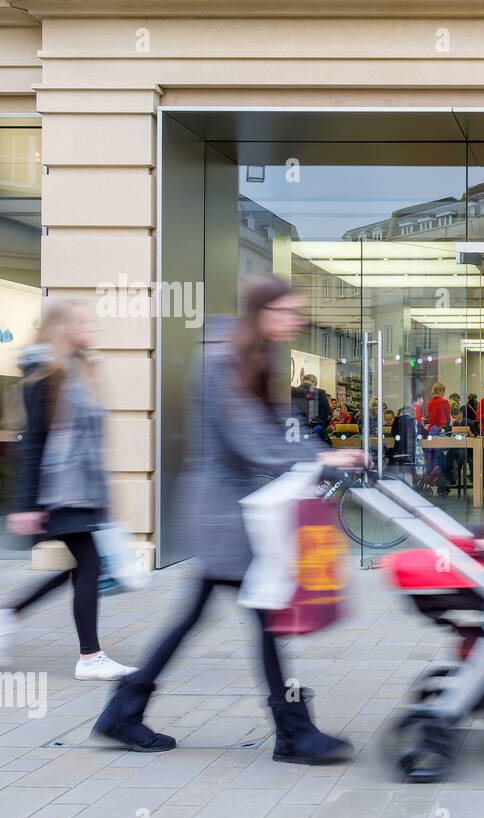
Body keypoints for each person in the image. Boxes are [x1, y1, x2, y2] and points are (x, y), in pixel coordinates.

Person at [94, 275, 363, 758]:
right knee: (264, 613)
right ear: (261, 312)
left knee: (207, 612)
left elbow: (282, 429)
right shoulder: (220, 361)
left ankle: (125, 710)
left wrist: (325, 453)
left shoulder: (256, 356)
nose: (294, 320)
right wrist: (322, 461)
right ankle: (293, 731)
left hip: (232, 507)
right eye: (286, 311)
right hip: (220, 507)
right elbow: (248, 437)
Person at [0, 300, 137, 680]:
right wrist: (26, 504)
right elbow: (32, 441)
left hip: (80, 488)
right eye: (82, 322)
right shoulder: (46, 373)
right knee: (88, 564)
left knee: (81, 567)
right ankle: (89, 656)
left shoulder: (78, 368)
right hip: (60, 488)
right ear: (63, 327)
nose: (90, 328)